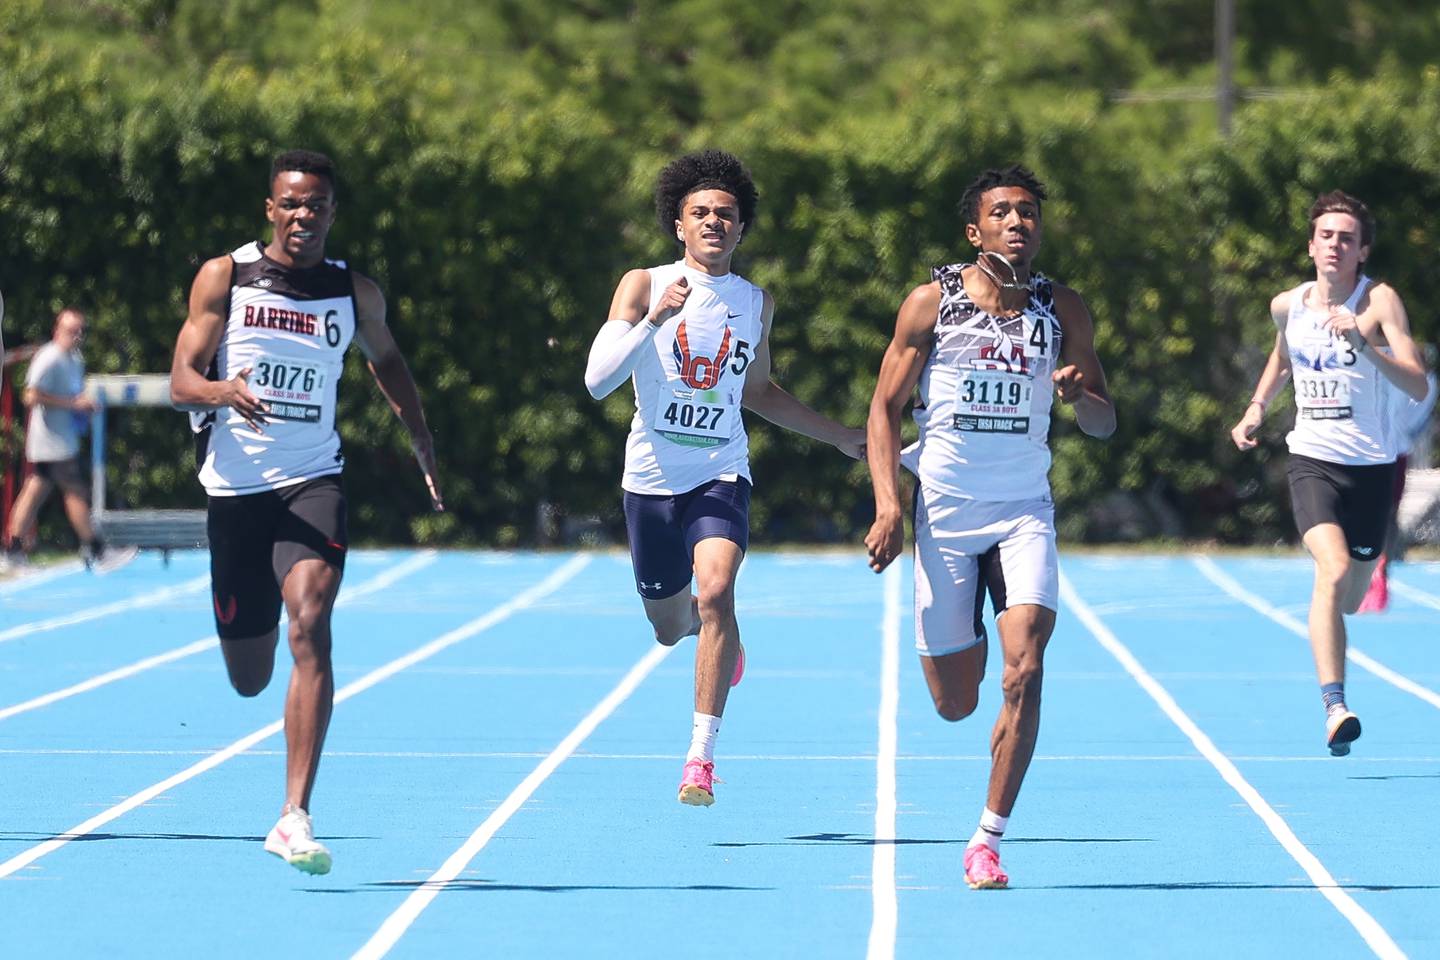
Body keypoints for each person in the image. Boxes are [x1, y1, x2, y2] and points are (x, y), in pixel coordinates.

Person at [169, 149, 443, 875]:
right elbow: (179, 380)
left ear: (331, 213)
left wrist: (418, 432)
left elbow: (385, 358)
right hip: (235, 492)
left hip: (312, 480)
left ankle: (294, 814)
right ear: (270, 209)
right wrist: (222, 392)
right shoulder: (225, 277)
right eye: (290, 204)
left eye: (316, 206)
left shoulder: (353, 292)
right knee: (249, 677)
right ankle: (254, 671)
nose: (303, 217)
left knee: (311, 620)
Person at [585, 149, 864, 806]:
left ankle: (700, 758)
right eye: (700, 213)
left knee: (716, 594)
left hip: (720, 473)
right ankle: (709, 637)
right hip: (650, 482)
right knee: (668, 624)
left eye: (726, 215)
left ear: (741, 229)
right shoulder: (643, 284)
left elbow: (759, 392)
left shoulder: (754, 303)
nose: (714, 222)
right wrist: (656, 318)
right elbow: (597, 382)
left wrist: (840, 436)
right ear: (678, 225)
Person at [865, 165, 1115, 890]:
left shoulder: (1063, 309)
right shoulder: (929, 305)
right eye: (1002, 212)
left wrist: (1080, 395)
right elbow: (883, 411)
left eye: (1029, 212)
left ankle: (987, 839)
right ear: (975, 232)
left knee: (1026, 668)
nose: (1018, 221)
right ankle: (961, 634)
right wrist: (888, 505)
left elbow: (1103, 423)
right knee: (955, 702)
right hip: (943, 512)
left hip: (1022, 513)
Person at [1230, 190, 1428, 756]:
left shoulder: (1380, 301)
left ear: (1363, 250)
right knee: (1331, 569)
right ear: (1311, 245)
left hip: (1372, 469)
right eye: (1326, 236)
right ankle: (1335, 706)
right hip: (1313, 459)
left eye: (1346, 238)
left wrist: (1364, 346)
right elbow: (1283, 355)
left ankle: (1361, 578)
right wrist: (1257, 407)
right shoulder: (1287, 305)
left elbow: (1416, 382)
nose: (1335, 246)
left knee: (1351, 593)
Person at [1, 308, 134, 572]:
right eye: (71, 331)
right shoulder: (49, 358)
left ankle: (12, 549)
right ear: (57, 330)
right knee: (75, 493)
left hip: (64, 438)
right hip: (51, 441)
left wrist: (83, 406)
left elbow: (75, 393)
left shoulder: (74, 359)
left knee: (34, 492)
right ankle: (97, 549)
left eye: (80, 331)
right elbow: (31, 396)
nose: (76, 336)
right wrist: (71, 404)